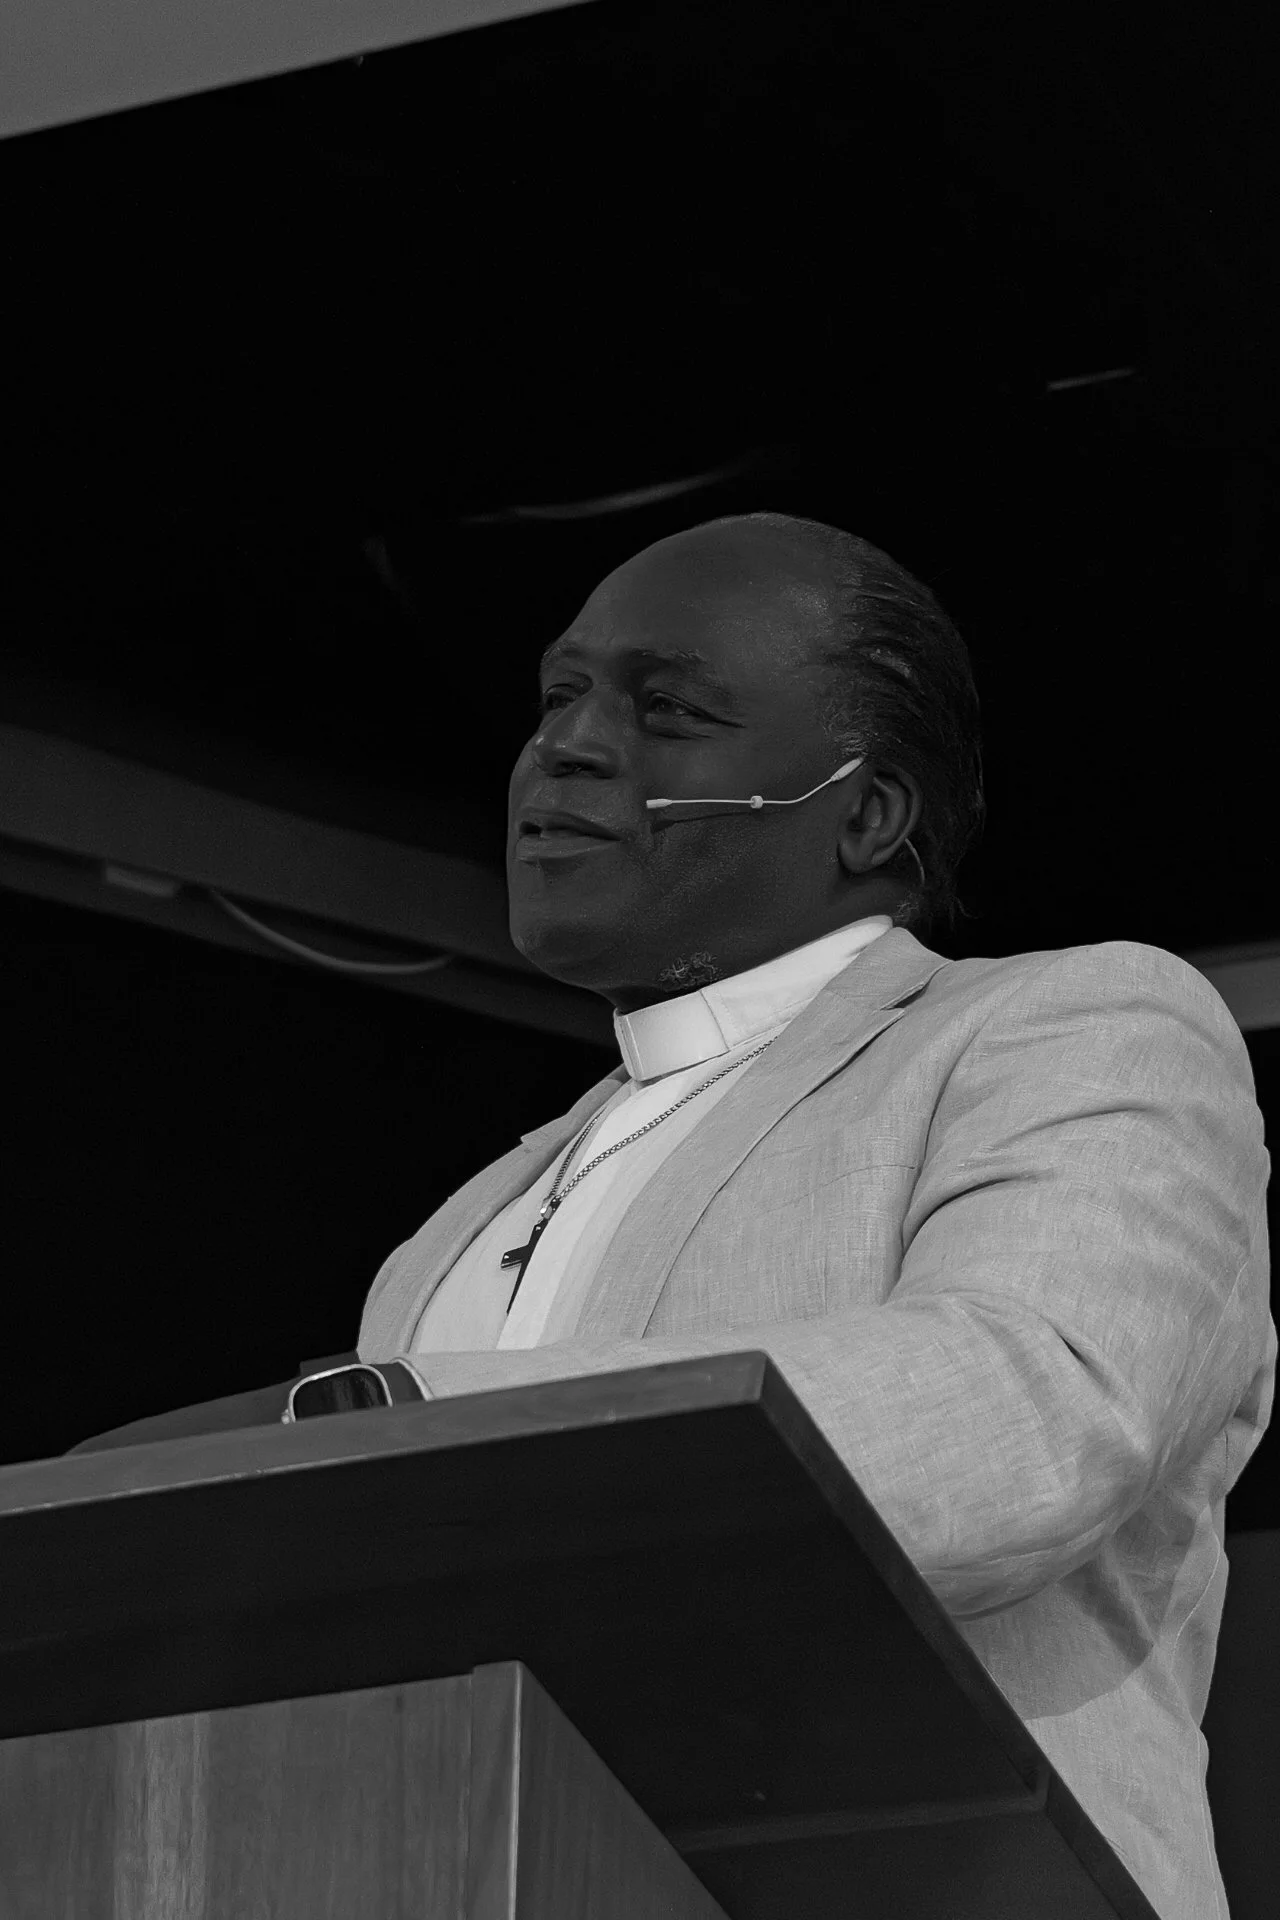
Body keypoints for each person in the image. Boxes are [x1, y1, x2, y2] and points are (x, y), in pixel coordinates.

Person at [356, 512, 1272, 1920]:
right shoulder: (458, 1230)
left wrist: (421, 1441)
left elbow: (1034, 1408)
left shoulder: (1071, 1025)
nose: (568, 746)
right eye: (559, 695)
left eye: (668, 710)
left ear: (867, 814)